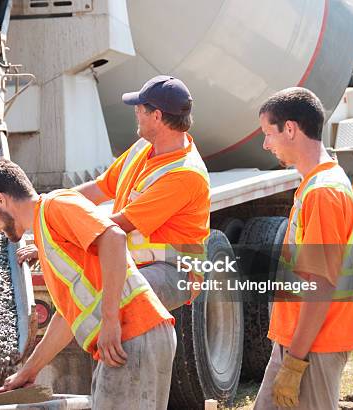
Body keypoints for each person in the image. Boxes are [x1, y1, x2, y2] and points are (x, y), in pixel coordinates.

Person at [0, 158, 176, 410]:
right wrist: (29, 370)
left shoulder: (56, 205)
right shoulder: (45, 235)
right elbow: (69, 317)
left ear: (0, 199)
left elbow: (114, 237)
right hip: (131, 336)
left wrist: (110, 321)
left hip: (132, 332)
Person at [17, 75, 211, 310]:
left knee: (113, 296)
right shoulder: (143, 148)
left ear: (157, 116)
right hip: (133, 262)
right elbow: (98, 189)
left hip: (175, 272)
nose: (136, 113)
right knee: (93, 292)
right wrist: (44, 210)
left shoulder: (183, 175)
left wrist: (51, 239)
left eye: (139, 108)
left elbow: (119, 224)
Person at [253, 87, 353, 409]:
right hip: (300, 341)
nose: (265, 144)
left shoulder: (323, 193)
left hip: (314, 346)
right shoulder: (316, 184)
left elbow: (320, 286)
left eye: (267, 133)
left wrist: (295, 363)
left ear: (290, 129)